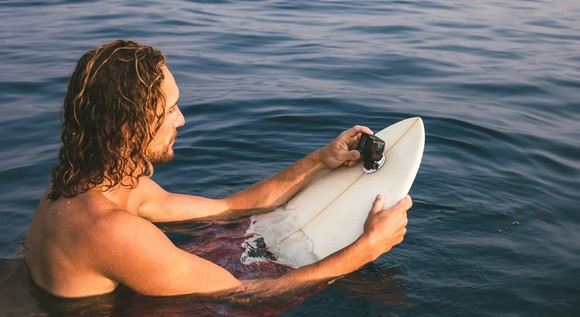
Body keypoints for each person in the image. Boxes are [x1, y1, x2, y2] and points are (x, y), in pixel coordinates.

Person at [24, 40, 412, 298]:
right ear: (130, 125)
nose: (182, 120)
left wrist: (319, 160)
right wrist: (367, 248)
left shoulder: (81, 186)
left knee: (226, 237)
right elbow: (246, 295)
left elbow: (227, 207)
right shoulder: (111, 230)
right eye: (170, 110)